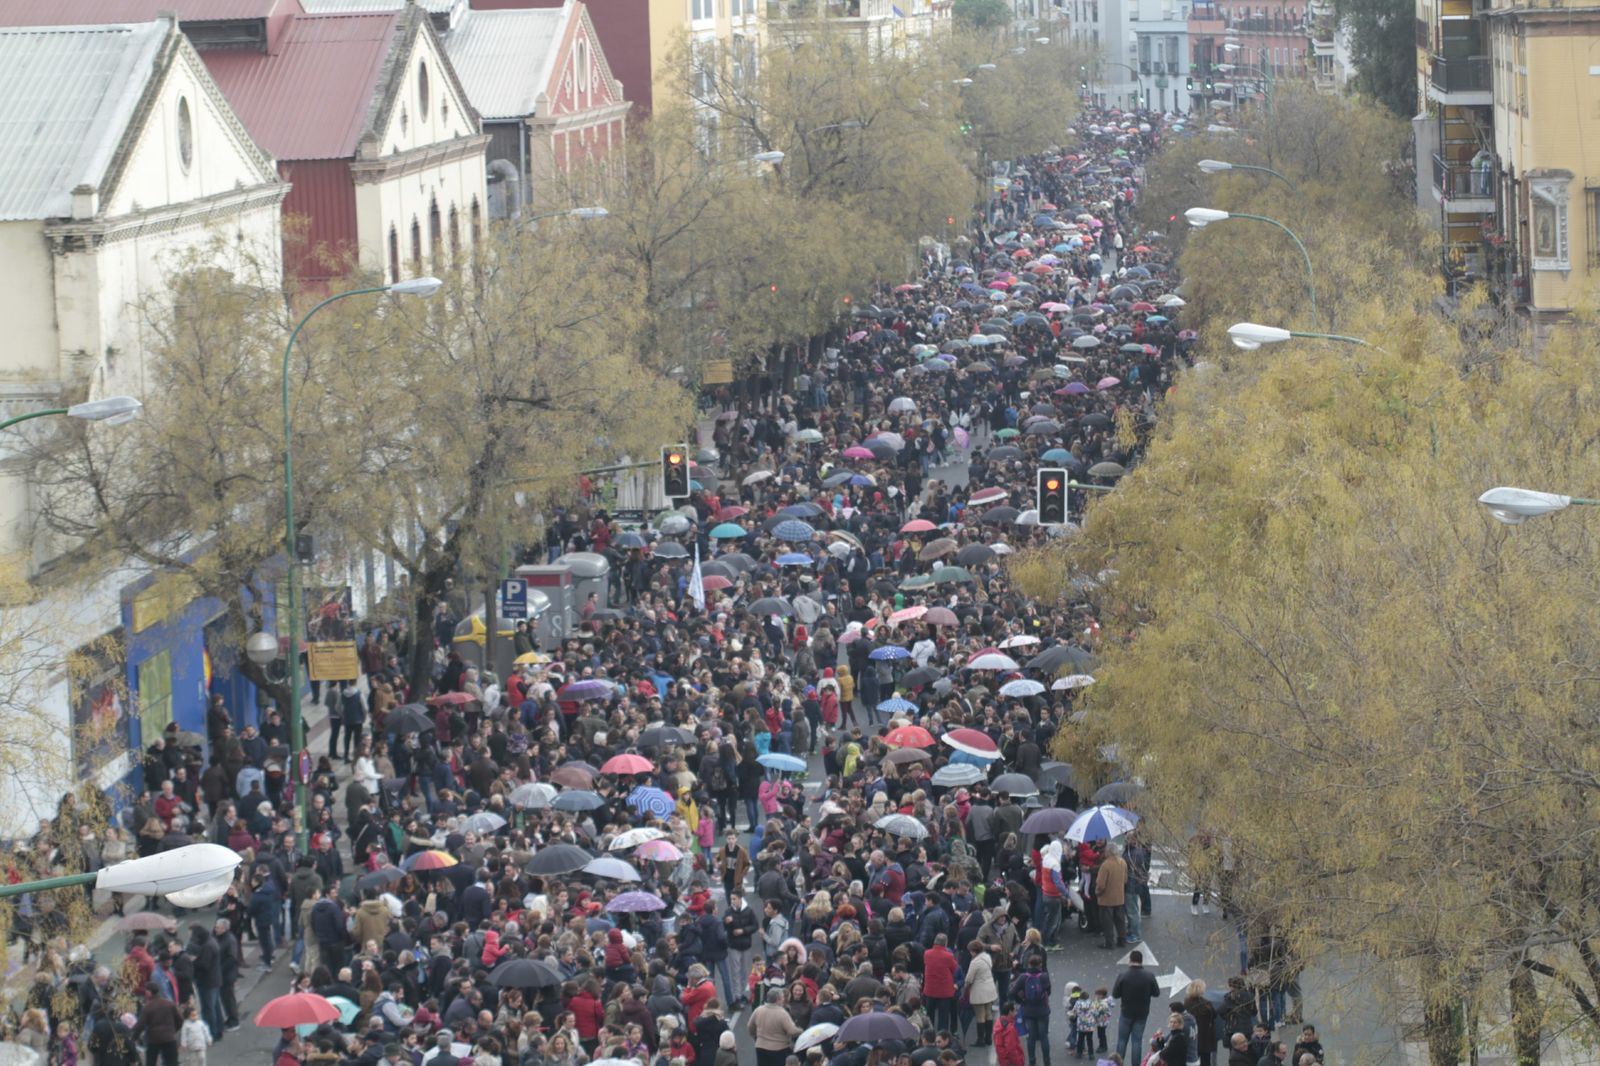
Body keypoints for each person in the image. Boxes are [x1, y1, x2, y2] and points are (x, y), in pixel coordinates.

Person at [1112, 949, 1161, 1061]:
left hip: (1126, 1012)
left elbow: (1115, 994)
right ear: (1141, 961)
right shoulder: (1149, 976)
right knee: (1137, 1041)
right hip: (1142, 1014)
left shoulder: (1123, 975)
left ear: (1130, 960)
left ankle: (1118, 1063)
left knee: (1122, 1041)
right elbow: (1156, 993)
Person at [1010, 953, 1052, 1066]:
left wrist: (1021, 1001)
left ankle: (1032, 1062)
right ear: (1040, 964)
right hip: (1042, 1010)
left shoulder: (1023, 977)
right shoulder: (1044, 976)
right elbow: (1048, 991)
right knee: (1044, 1037)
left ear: (1029, 964)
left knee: (1031, 1037)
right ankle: (1047, 1062)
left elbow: (1012, 992)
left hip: (1028, 1010)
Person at [747, 988, 801, 1066]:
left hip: (761, 1047)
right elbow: (792, 1031)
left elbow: (750, 1027)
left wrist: (757, 1038)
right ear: (778, 999)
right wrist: (800, 1030)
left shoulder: (758, 1010)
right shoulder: (782, 1013)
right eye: (782, 997)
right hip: (779, 1049)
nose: (783, 999)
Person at [133, 991, 183, 1066]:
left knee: (151, 1062)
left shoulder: (148, 1007)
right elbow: (180, 1019)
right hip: (169, 1038)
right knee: (172, 1062)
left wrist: (133, 1038)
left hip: (153, 1039)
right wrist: (173, 1030)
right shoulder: (169, 1003)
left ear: (149, 993)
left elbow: (140, 1025)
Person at [1096, 842, 1129, 949]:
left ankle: (1109, 942)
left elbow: (1101, 884)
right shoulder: (1122, 862)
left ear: (1109, 852)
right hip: (1119, 897)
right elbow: (1125, 880)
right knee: (1120, 921)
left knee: (1107, 922)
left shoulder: (1105, 865)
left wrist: (1098, 892)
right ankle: (1122, 940)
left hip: (1106, 899)